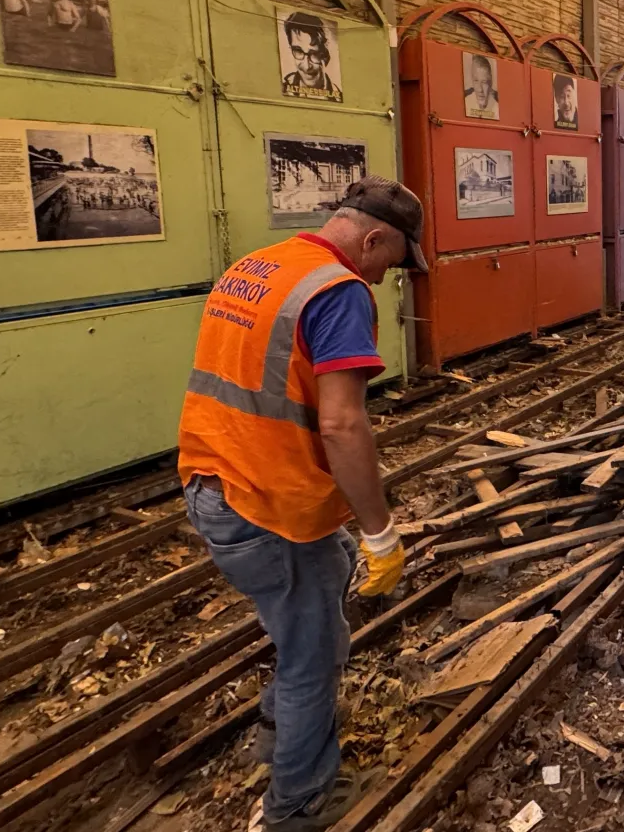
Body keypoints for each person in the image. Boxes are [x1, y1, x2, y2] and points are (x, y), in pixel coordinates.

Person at [177, 177, 429, 832]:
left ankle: (278, 722)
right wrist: (381, 532)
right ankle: (297, 805)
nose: (382, 279)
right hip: (266, 506)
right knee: (314, 651)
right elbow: (343, 426)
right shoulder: (338, 290)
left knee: (329, 572)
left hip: (212, 481)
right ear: (372, 238)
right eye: (391, 263)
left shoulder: (259, 265)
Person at [283, 13, 342, 101]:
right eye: (298, 51)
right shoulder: (284, 89)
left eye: (314, 53)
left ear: (324, 54)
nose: (307, 66)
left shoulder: (338, 96)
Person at [464, 53, 499, 117]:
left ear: (490, 83)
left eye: (484, 82)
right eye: (476, 81)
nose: (480, 89)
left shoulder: (498, 104)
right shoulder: (466, 100)